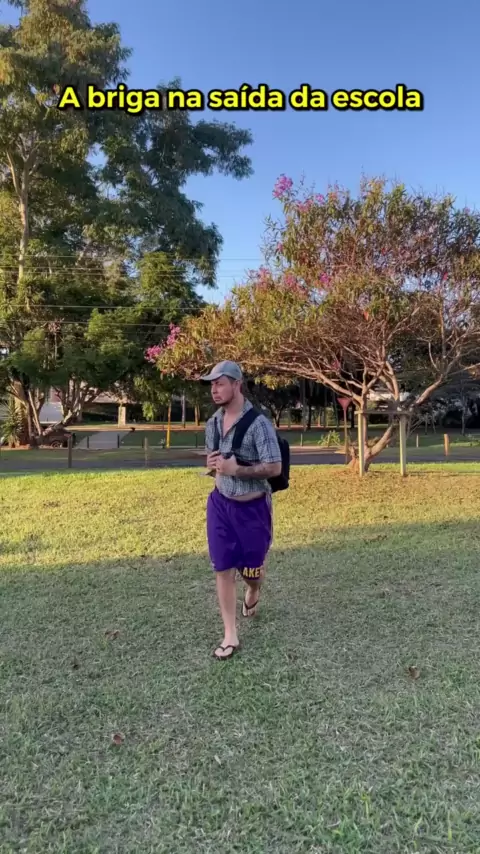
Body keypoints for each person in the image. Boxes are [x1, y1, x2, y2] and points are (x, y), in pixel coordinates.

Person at [202, 361, 282, 660]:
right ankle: (230, 634)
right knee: (222, 567)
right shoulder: (213, 423)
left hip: (252, 509)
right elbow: (214, 463)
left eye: (220, 383)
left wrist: (236, 470)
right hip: (220, 504)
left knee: (252, 570)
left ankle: (254, 590)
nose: (214, 390)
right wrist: (212, 466)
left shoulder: (259, 424)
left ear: (237, 385)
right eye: (212, 384)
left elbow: (274, 467)